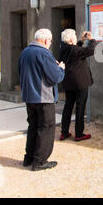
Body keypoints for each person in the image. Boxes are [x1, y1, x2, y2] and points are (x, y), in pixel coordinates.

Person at [18, 28, 65, 171]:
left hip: (29, 97)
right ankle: (40, 161)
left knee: (33, 126)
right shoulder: (44, 53)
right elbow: (55, 77)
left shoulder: (25, 52)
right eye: (50, 41)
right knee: (46, 128)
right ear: (46, 40)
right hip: (43, 97)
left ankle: (29, 158)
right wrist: (61, 68)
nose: (50, 43)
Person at [58, 29, 96, 142]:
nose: (75, 37)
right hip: (80, 83)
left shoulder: (63, 48)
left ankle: (64, 132)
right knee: (80, 107)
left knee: (68, 106)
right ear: (70, 39)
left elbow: (74, 50)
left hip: (68, 82)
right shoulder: (75, 51)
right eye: (74, 36)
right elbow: (90, 50)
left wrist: (81, 41)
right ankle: (79, 134)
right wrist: (92, 39)